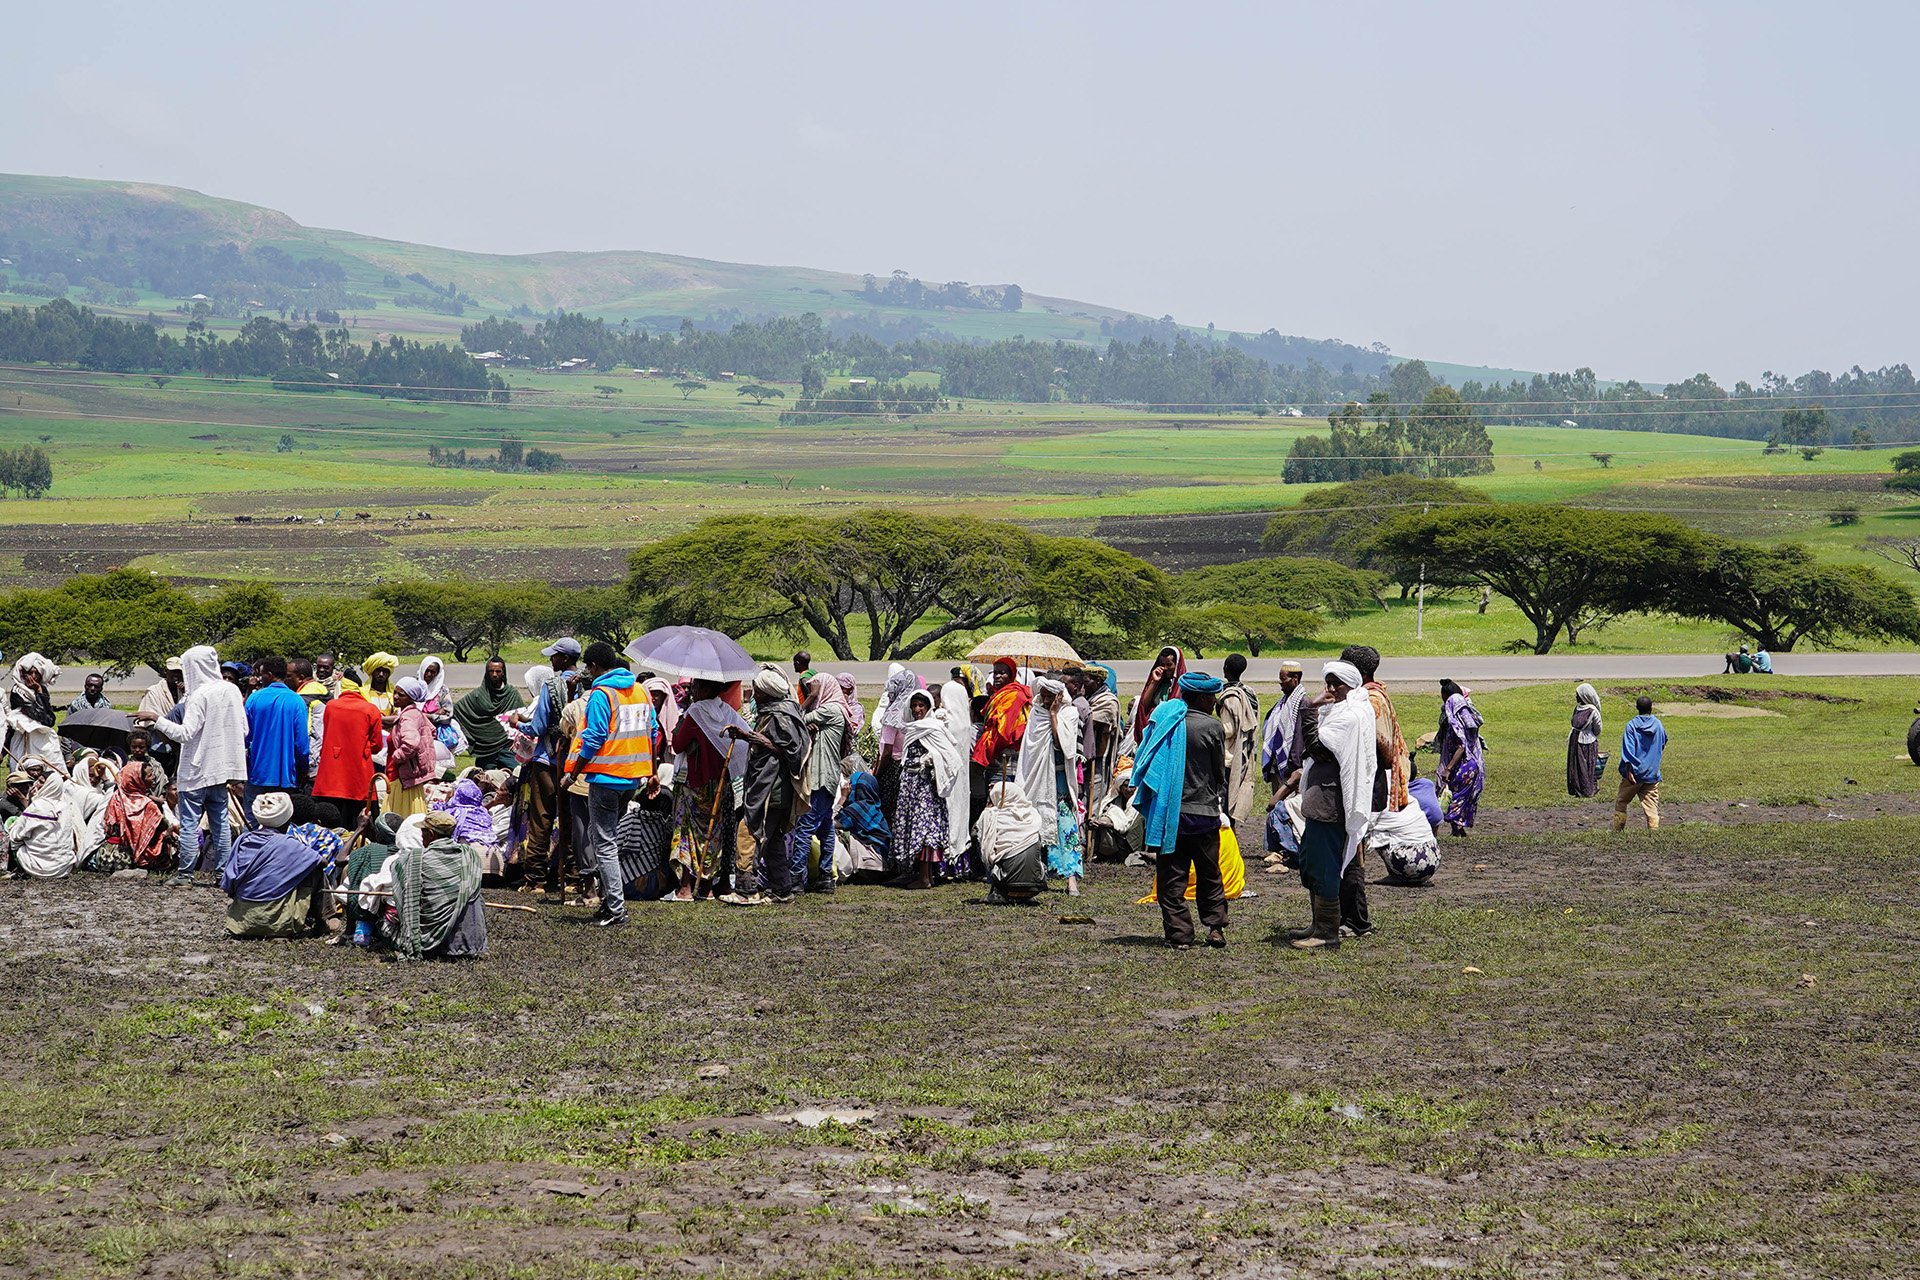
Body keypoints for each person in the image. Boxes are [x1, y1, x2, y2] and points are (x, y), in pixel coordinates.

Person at [1131, 671, 1229, 950]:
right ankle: (1215, 927)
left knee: (1172, 877)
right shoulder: (1212, 727)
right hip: (1204, 814)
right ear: (1200, 697)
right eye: (1211, 696)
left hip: (1170, 814)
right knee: (1210, 873)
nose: (1214, 701)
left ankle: (1180, 935)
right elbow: (1217, 772)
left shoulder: (1165, 721)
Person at [562, 642, 655, 926]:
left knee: (604, 842)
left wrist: (574, 773)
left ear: (593, 666)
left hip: (606, 778)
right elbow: (651, 730)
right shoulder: (640, 690)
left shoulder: (602, 694)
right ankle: (608, 902)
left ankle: (616, 908)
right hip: (632, 777)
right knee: (603, 835)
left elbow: (594, 737)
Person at [142, 645, 248, 886]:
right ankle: (222, 872)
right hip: (222, 770)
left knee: (189, 823)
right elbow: (243, 729)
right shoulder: (231, 690)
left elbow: (186, 734)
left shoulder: (199, 695)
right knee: (220, 823)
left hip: (196, 770)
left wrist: (156, 720)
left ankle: (185, 874)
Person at [1290, 661, 1376, 952]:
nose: (1329, 689)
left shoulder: (1350, 716)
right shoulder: (1342, 710)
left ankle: (1327, 930)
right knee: (1312, 863)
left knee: (1325, 867)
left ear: (1351, 685)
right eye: (1327, 682)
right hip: (1323, 802)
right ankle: (1319, 922)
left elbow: (1317, 747)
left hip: (1331, 804)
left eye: (1335, 683)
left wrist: (1309, 708)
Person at [727, 666, 809, 904]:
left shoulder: (781, 716)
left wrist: (756, 739)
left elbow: (794, 753)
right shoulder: (775, 711)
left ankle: (746, 890)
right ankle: (783, 890)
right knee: (773, 840)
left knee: (748, 832)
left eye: (758, 690)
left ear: (768, 693)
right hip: (771, 788)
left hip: (772, 789)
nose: (754, 693)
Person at [672, 679, 750, 900]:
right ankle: (705, 886)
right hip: (720, 783)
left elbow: (678, 745)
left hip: (695, 783)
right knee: (712, 835)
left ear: (706, 688)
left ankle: (686, 887)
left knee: (688, 833)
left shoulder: (696, 712)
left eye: (696, 686)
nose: (693, 690)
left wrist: (679, 726)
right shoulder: (726, 711)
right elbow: (745, 737)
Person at [221, 792, 331, 939]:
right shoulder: (290, 844)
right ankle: (321, 923)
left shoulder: (243, 840)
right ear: (288, 819)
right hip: (278, 923)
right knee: (315, 869)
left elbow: (229, 882)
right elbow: (322, 862)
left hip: (241, 920)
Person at [519, 639, 582, 893]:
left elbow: (538, 726)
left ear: (564, 659)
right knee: (572, 820)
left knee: (541, 819)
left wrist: (518, 723)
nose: (551, 661)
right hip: (577, 764)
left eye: (554, 656)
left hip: (548, 761)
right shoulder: (588, 686)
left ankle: (536, 879)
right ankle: (574, 878)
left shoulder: (551, 685)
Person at [390, 810, 487, 960]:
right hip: (471, 943)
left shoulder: (417, 859)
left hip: (434, 946)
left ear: (431, 833)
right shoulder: (470, 855)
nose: (421, 837)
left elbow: (397, 869)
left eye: (423, 832)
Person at [1017, 675, 1082, 895]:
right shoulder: (1035, 714)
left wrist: (1054, 714)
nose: (1045, 700)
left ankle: (1071, 878)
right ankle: (1037, 874)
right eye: (1042, 695)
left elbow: (1064, 745)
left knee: (1064, 826)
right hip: (1037, 780)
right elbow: (1030, 749)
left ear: (1059, 695)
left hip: (1060, 779)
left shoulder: (1069, 713)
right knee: (1036, 824)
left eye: (1049, 696)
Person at [791, 672, 849, 894]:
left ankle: (796, 878)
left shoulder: (831, 710)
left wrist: (811, 697)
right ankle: (825, 876)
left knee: (805, 826)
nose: (812, 695)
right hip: (827, 776)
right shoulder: (832, 711)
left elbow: (798, 717)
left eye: (815, 690)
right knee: (825, 828)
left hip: (821, 777)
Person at [895, 689, 958, 888]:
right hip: (910, 785)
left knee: (924, 829)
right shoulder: (912, 728)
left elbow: (950, 757)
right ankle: (925, 876)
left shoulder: (933, 728)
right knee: (917, 827)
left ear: (929, 707)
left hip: (924, 787)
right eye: (914, 706)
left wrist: (930, 760)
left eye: (921, 706)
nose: (917, 710)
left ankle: (924, 878)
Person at [242, 657, 310, 826]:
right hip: (286, 777)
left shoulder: (254, 699)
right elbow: (301, 744)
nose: (259, 678)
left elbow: (244, 736)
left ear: (269, 675)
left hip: (257, 773)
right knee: (283, 825)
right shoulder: (296, 701)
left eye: (261, 674)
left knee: (252, 824)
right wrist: (302, 769)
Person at [312, 671, 382, 829]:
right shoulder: (370, 709)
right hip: (359, 773)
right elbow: (377, 746)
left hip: (331, 774)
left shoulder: (331, 706)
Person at [102, 759, 176, 871]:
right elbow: (163, 826)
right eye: (150, 776)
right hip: (134, 857)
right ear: (138, 780)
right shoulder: (148, 805)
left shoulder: (116, 798)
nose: (154, 778)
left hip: (107, 855)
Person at [453, 656, 525, 771]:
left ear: (503, 673)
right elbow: (456, 711)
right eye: (491, 671)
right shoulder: (478, 695)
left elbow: (522, 716)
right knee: (484, 781)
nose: (494, 674)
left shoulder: (512, 694)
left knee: (517, 776)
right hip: (485, 751)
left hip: (507, 748)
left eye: (498, 671)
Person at [1434, 678, 1485, 838]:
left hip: (1464, 766)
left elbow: (1461, 747)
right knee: (1458, 794)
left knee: (1457, 796)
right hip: (1466, 765)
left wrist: (1448, 769)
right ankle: (1458, 828)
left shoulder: (1457, 726)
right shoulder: (1457, 721)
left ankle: (1455, 826)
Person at [1216, 654, 1261, 828]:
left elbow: (1228, 730)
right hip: (1244, 752)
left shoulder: (1231, 697)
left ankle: (1228, 842)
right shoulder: (1249, 693)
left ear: (1225, 669)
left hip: (1229, 758)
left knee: (1226, 803)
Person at [385, 678, 440, 819]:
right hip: (409, 777)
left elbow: (411, 743)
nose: (395, 697)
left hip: (401, 777)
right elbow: (430, 731)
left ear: (411, 698)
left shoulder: (408, 717)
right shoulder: (414, 713)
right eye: (395, 692)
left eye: (401, 695)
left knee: (398, 816)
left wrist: (397, 757)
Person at [970, 659, 1031, 783]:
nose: (997, 676)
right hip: (994, 759)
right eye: (995, 672)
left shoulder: (1016, 696)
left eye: (1002, 673)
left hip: (1006, 762)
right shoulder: (998, 695)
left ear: (1011, 675)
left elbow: (1004, 731)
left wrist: (988, 750)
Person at [1614, 695, 1666, 832]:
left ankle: (1617, 829)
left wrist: (1629, 770)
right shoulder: (1658, 724)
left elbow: (1628, 750)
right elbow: (1663, 741)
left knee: (1622, 801)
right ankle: (1654, 831)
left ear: (1637, 708)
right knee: (1652, 807)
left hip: (1634, 775)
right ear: (1651, 708)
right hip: (1652, 773)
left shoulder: (1631, 726)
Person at [6, 653, 60, 769]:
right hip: (24, 738)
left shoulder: (41, 689)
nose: (34, 677)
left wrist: (40, 691)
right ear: (24, 674)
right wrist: (39, 692)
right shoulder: (18, 692)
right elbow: (39, 715)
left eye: (37, 673)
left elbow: (50, 720)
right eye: (31, 673)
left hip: (42, 739)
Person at [138, 658, 186, 778]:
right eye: (172, 671)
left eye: (178, 672)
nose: (176, 675)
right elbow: (152, 723)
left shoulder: (186, 691)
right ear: (166, 672)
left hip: (181, 742)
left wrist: (186, 692)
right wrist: (174, 747)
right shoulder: (154, 692)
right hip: (160, 746)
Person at [1130, 645, 1186, 742]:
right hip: (1153, 727)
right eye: (1163, 664)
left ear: (1176, 665)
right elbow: (1145, 705)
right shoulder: (1159, 682)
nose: (1165, 668)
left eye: (1169, 665)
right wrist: (1154, 682)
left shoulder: (1183, 685)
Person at [1566, 683, 1603, 798]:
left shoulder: (1592, 711)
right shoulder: (1577, 708)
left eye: (1578, 695)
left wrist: (1590, 736)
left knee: (1586, 765)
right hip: (1575, 740)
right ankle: (1576, 787)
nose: (1576, 697)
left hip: (1586, 741)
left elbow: (1598, 728)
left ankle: (1587, 789)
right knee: (1576, 764)